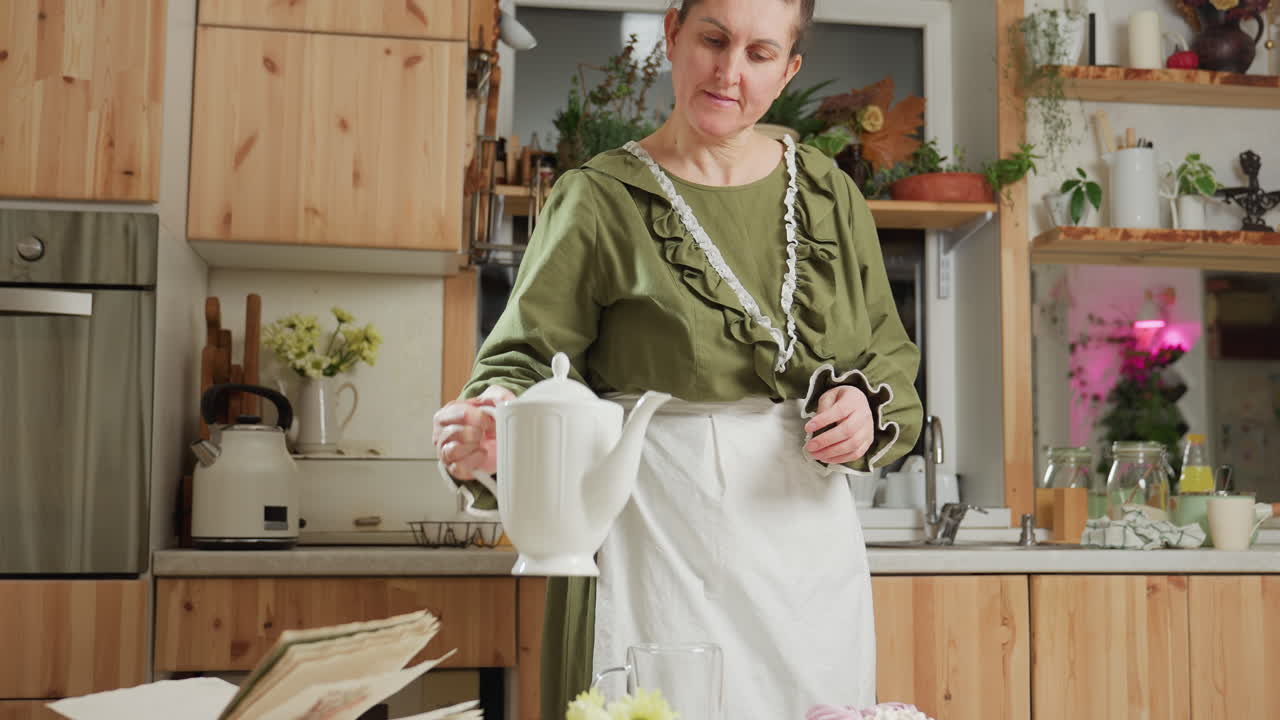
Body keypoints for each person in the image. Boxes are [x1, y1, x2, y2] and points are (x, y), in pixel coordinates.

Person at [431, 0, 923, 716]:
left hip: (806, 554)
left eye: (759, 54)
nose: (729, 72)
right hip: (650, 537)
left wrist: (864, 409)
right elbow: (521, 365)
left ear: (787, 72)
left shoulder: (831, 196)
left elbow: (889, 360)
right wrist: (497, 421)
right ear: (672, 35)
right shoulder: (599, 198)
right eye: (713, 40)